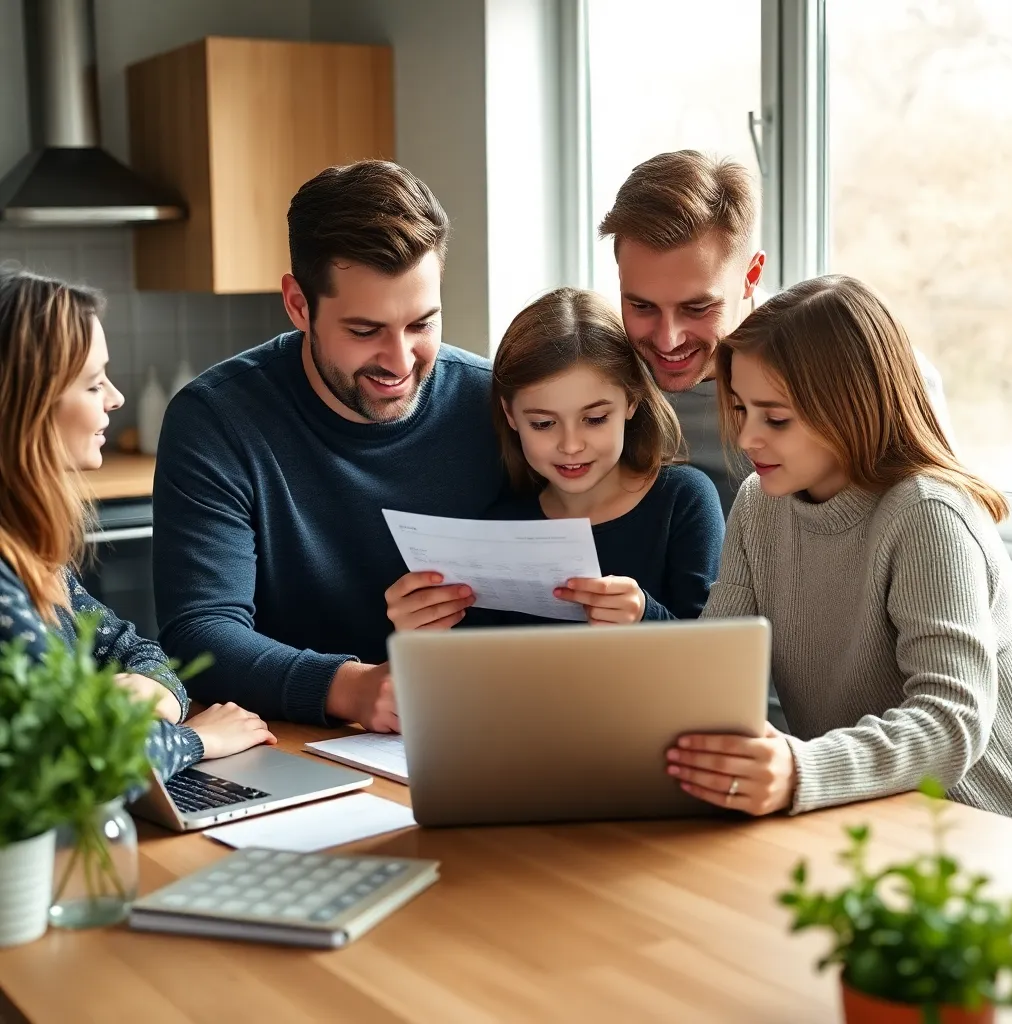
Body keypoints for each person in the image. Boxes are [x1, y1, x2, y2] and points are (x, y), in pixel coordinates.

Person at [153, 161, 505, 733]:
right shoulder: (216, 419)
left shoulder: (497, 404)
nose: (399, 361)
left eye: (422, 324)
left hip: (473, 729)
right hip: (288, 743)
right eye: (365, 331)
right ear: (298, 305)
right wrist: (351, 689)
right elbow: (200, 635)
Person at [664, 275, 1012, 820]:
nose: (747, 439)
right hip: (850, 821)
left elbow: (952, 721)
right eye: (741, 409)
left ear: (849, 407)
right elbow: (716, 667)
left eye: (775, 418)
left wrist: (799, 770)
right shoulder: (759, 503)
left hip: (971, 833)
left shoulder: (929, 514)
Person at [0, 269, 276, 780]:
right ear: (26, 404)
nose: (115, 398)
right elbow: (70, 763)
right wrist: (197, 739)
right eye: (92, 383)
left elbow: (136, 649)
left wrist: (157, 694)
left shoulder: (31, 556)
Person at [598, 150, 954, 515]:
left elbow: (937, 514)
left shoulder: (859, 372)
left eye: (697, 308)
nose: (666, 340)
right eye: (641, 306)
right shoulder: (603, 389)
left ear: (751, 276)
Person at [384, 288, 724, 630]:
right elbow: (471, 668)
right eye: (543, 424)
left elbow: (714, 656)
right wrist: (420, 630)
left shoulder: (684, 501)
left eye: (594, 419)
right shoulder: (500, 529)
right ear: (511, 415)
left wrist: (645, 615)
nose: (571, 445)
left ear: (631, 400)